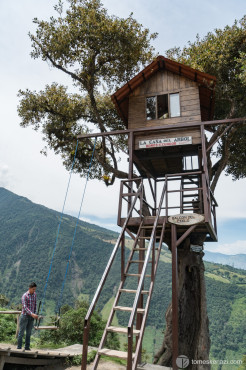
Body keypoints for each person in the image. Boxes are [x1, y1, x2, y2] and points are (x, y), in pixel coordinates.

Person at [17, 282, 38, 350]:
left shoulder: (34, 295)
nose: (34, 291)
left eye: (35, 289)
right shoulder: (25, 296)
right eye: (33, 289)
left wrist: (35, 313)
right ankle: (19, 347)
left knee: (28, 333)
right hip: (25, 316)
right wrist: (32, 314)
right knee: (21, 332)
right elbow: (25, 307)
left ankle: (27, 347)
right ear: (29, 288)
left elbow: (35, 305)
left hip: (31, 317)